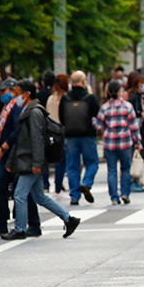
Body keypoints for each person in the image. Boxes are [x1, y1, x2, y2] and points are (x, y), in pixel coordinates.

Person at [2, 80, 81, 240]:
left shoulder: (34, 112)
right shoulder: (29, 110)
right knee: (39, 196)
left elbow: (37, 139)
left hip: (31, 161)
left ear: (26, 94)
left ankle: (19, 229)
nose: (14, 96)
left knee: (20, 194)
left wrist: (37, 163)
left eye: (17, 93)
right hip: (30, 160)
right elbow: (21, 139)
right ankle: (68, 219)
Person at [0, 79, 41, 237]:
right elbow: (2, 125)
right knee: (8, 188)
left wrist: (4, 147)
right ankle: (4, 223)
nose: (3, 95)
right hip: (8, 153)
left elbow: (17, 130)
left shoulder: (16, 107)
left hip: (13, 153)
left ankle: (30, 224)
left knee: (20, 190)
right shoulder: (6, 107)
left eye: (5, 91)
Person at [95, 80, 141, 205]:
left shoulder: (105, 107)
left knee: (112, 170)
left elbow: (98, 125)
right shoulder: (127, 106)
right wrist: (138, 142)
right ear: (120, 91)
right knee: (125, 169)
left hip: (109, 143)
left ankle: (114, 197)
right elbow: (134, 126)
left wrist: (94, 120)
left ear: (109, 92)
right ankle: (125, 193)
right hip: (125, 142)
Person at [61, 71, 101, 205]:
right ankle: (86, 183)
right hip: (88, 135)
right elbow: (98, 115)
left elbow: (62, 117)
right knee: (92, 163)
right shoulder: (90, 98)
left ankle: (74, 196)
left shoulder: (65, 98)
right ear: (84, 82)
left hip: (70, 135)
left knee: (72, 166)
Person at [45, 73, 70, 194]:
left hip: (51, 131)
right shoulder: (67, 98)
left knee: (51, 159)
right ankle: (58, 185)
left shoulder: (51, 99)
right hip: (63, 131)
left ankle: (46, 184)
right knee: (63, 161)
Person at [126, 72, 144, 192]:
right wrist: (141, 114)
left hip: (141, 128)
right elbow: (133, 113)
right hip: (136, 129)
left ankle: (137, 179)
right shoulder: (133, 96)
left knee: (140, 154)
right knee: (136, 154)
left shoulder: (141, 96)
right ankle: (133, 180)